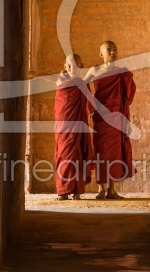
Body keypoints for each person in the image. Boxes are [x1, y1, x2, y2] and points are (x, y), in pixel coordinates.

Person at [84, 41, 136, 200]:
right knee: (100, 151)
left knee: (114, 153)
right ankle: (101, 189)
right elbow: (81, 85)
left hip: (117, 116)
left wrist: (128, 120)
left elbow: (126, 99)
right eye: (109, 50)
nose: (113, 52)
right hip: (101, 116)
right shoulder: (95, 70)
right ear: (101, 54)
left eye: (115, 49)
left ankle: (111, 190)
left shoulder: (122, 73)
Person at [53, 54, 95, 200]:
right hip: (62, 125)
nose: (72, 69)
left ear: (81, 66)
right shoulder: (59, 80)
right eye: (69, 66)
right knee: (63, 154)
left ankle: (77, 191)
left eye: (76, 66)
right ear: (64, 66)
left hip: (77, 125)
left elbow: (91, 104)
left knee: (78, 154)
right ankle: (63, 191)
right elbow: (39, 75)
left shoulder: (82, 84)